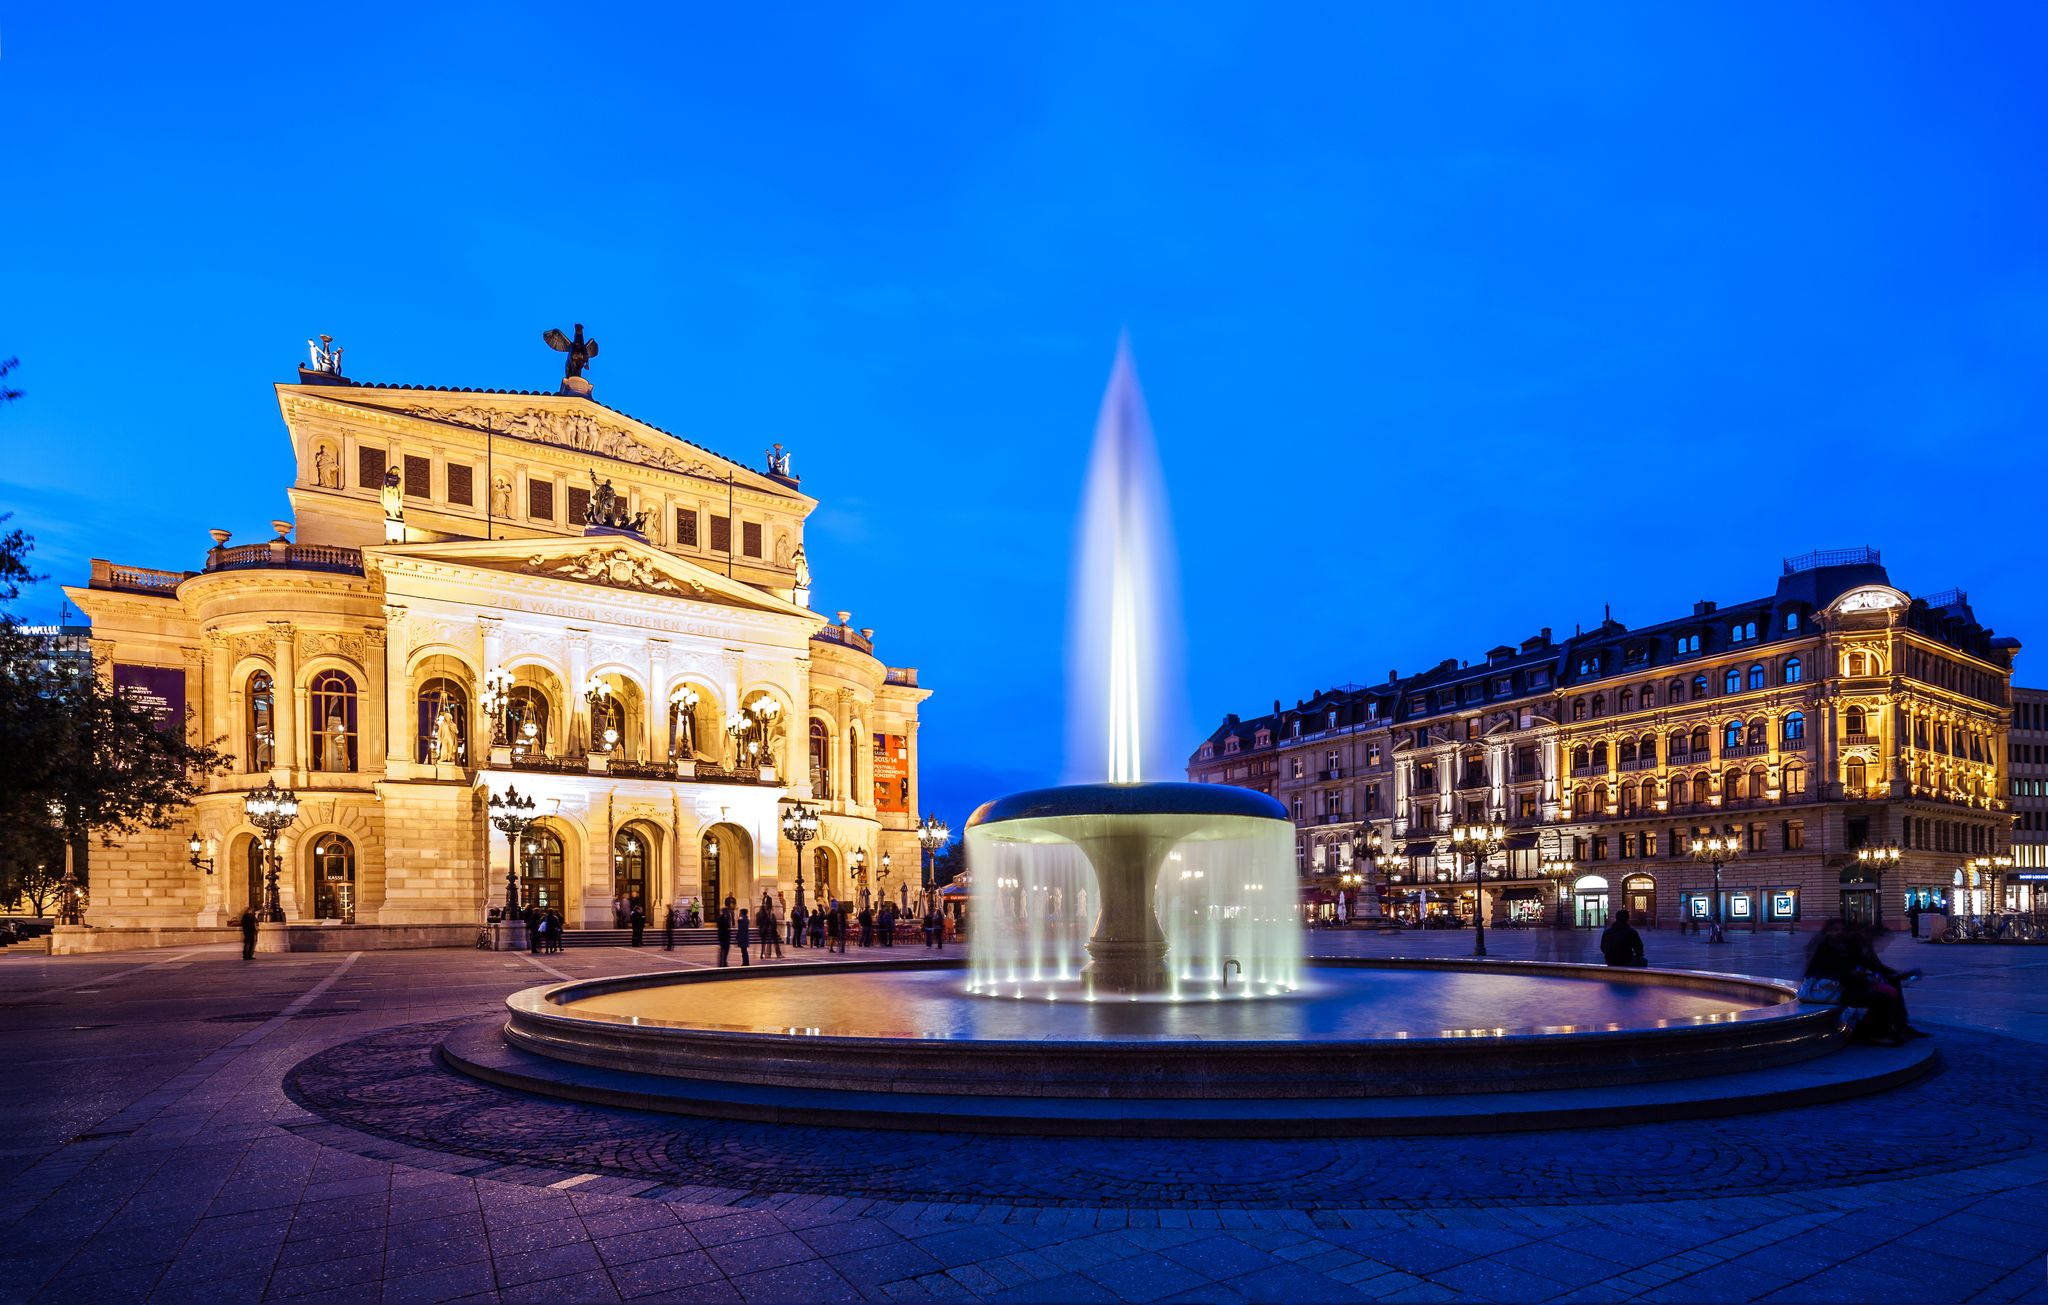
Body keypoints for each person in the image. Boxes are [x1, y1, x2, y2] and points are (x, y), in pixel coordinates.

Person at [716, 897, 734, 967]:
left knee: (726, 950)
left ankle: (724, 961)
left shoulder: (726, 918)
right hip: (723, 936)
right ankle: (722, 962)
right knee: (723, 950)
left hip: (726, 936)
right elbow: (722, 926)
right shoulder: (720, 918)